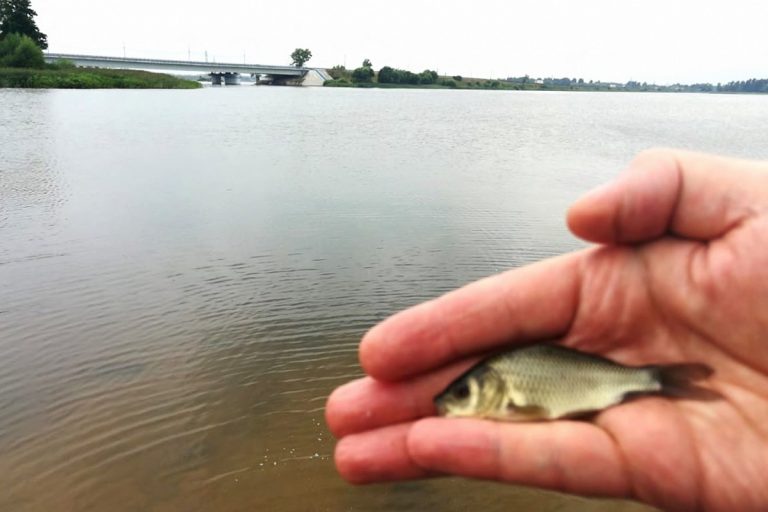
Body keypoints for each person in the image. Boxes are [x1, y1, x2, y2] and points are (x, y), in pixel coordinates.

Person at [325, 149, 768, 512]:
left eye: (461, 395)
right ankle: (657, 380)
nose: (451, 403)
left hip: (606, 381)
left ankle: (656, 380)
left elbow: (532, 409)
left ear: (488, 390)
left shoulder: (510, 388)